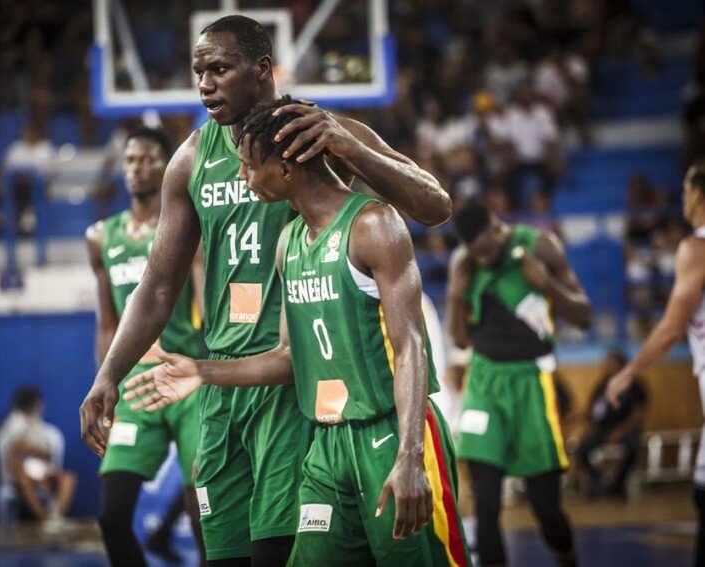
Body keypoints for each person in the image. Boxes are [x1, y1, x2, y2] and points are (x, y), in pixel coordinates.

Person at [79, 15, 452, 566]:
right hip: (224, 382)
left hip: (298, 382)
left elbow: (435, 205)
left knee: (279, 554)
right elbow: (157, 286)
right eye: (198, 72)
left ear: (262, 70)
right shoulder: (190, 159)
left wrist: (353, 148)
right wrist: (109, 372)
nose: (205, 84)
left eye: (219, 69)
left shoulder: (319, 136)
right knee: (223, 556)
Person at [447, 201, 592, 566]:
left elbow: (585, 317)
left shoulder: (540, 247)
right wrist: (453, 296)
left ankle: (569, 558)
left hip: (531, 382)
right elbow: (461, 341)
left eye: (488, 250)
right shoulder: (463, 263)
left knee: (546, 508)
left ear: (498, 227)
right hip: (483, 383)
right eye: (475, 253)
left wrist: (547, 285)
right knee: (486, 503)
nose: (483, 259)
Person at [85, 127, 205, 566]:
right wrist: (105, 379)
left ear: (167, 164)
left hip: (189, 380)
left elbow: (209, 309)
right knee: (111, 519)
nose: (137, 168)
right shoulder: (100, 237)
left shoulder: (186, 229)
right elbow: (107, 323)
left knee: (202, 518)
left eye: (148, 159)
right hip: (137, 387)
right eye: (130, 160)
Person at [606, 164, 705, 566]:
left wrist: (628, 373)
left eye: (685, 188)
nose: (681, 196)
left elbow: (669, 329)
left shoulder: (695, 248)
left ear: (697, 195)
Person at [0, 385, 77, 531]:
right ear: (36, 403)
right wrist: (28, 471)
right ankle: (45, 523)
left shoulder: (41, 428)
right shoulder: (10, 428)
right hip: (19, 478)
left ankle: (55, 519)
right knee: (24, 481)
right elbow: (12, 459)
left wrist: (42, 469)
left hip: (42, 474)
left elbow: (47, 455)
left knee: (68, 478)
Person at [577, 351, 647, 499]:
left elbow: (637, 415)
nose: (605, 367)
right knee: (582, 447)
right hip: (603, 430)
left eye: (608, 363)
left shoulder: (635, 385)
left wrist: (620, 432)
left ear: (620, 365)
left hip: (627, 429)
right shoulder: (602, 385)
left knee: (633, 447)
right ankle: (600, 483)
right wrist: (590, 425)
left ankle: (619, 485)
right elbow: (593, 410)